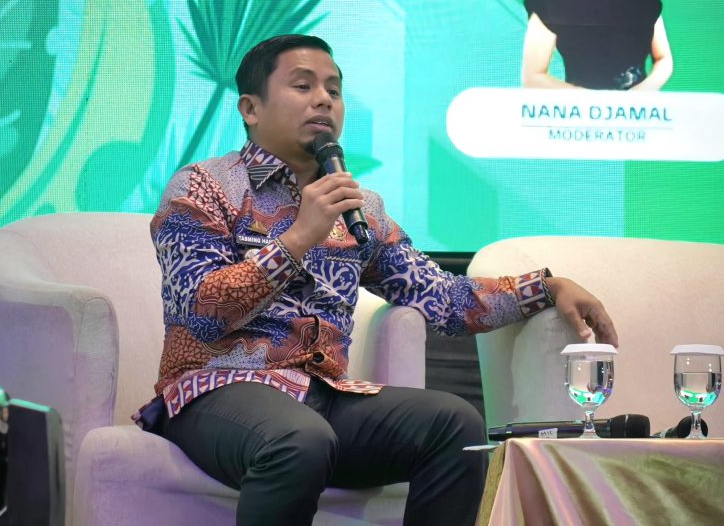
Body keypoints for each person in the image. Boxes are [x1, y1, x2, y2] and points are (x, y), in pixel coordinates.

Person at [134, 34, 618, 525]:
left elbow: (444, 299)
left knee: (454, 425)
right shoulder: (204, 186)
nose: (324, 100)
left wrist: (546, 288)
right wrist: (299, 237)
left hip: (325, 396)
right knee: (299, 439)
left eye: (334, 90)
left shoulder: (360, 208)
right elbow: (201, 311)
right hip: (216, 390)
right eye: (302, 86)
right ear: (250, 108)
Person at [521, 0, 673, 90]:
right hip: (581, 109)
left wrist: (640, 93)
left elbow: (663, 59)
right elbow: (533, 76)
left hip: (639, 108)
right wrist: (589, 101)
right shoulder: (550, 0)